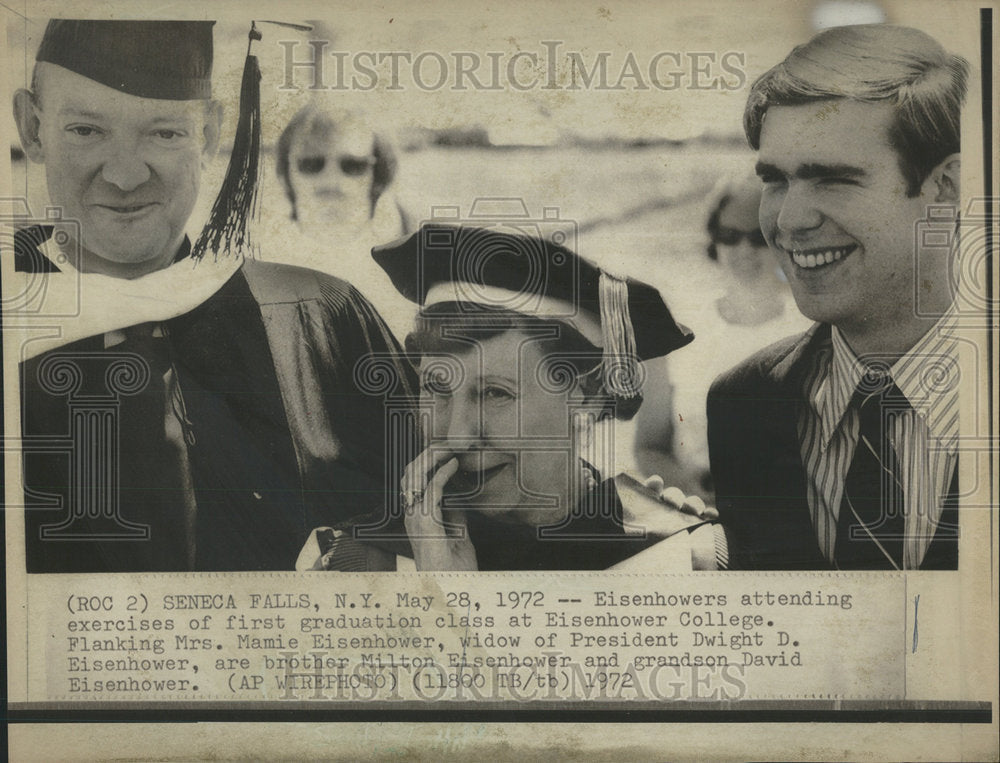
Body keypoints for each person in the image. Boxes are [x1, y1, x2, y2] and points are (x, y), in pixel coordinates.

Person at [12, 20, 413, 572]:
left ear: (210, 135)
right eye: (86, 130)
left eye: (164, 133)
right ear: (31, 129)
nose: (126, 176)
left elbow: (447, 526)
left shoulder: (320, 317)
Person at [310, 223, 724, 572]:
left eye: (494, 393)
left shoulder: (682, 558)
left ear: (589, 394)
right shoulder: (356, 561)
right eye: (436, 387)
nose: (456, 436)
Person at [707, 24, 967, 570]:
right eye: (775, 179)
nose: (789, 221)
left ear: (945, 189)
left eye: (833, 178)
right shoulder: (742, 406)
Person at [638, 173, 810, 496]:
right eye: (729, 235)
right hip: (696, 507)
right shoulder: (676, 330)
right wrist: (696, 497)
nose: (744, 249)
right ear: (713, 242)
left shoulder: (813, 330)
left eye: (759, 236)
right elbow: (650, 448)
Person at [269, 103, 413, 340]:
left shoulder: (419, 253)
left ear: (378, 176)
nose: (331, 181)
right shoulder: (254, 257)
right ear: (286, 174)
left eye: (353, 165)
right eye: (311, 164)